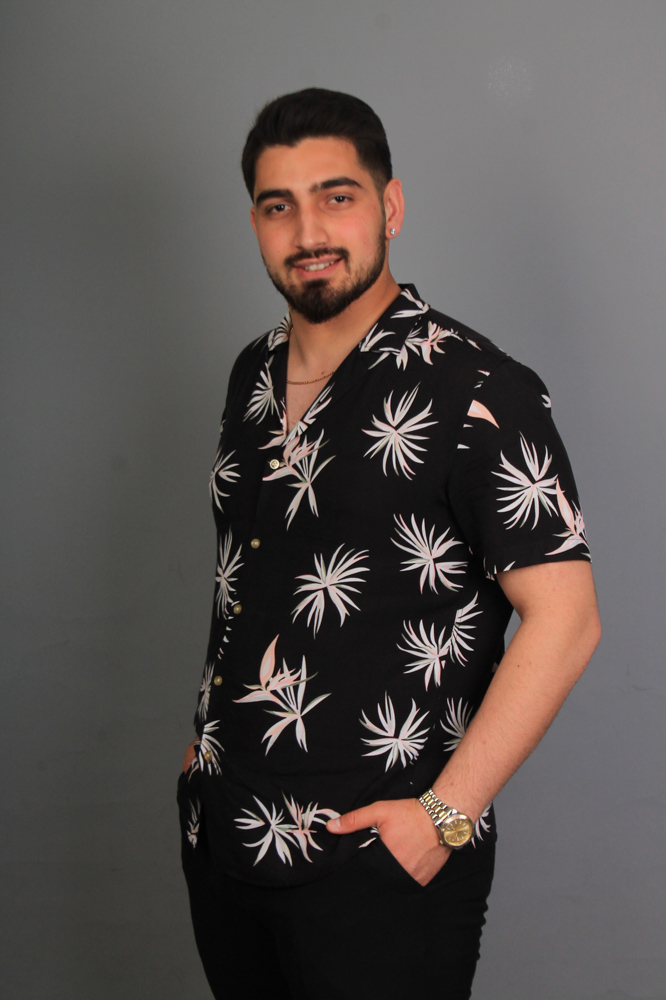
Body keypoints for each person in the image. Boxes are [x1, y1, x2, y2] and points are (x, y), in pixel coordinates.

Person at [178, 87, 600, 1000]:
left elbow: (567, 621)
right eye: (278, 206)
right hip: (225, 837)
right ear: (254, 224)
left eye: (337, 197)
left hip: (374, 859)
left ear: (390, 206)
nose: (308, 232)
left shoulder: (478, 387)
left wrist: (444, 815)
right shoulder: (252, 374)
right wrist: (202, 757)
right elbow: (253, 575)